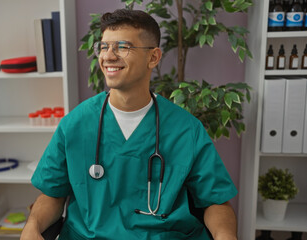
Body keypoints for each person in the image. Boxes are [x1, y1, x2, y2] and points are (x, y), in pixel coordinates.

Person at [21, 9, 238, 240]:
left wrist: (226, 236)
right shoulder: (75, 124)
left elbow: (216, 202)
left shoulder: (185, 129)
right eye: (104, 47)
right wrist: (32, 226)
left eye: (122, 47)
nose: (108, 56)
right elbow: (53, 194)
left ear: (153, 57)